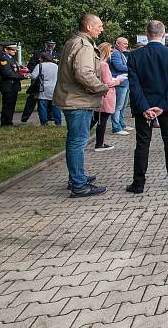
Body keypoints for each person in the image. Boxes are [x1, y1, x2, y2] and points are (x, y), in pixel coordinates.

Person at [125, 20, 168, 194]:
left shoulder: (135, 56)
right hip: (166, 106)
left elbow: (134, 85)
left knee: (142, 143)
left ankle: (138, 183)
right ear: (164, 33)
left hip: (143, 106)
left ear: (147, 33)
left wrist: (145, 107)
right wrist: (162, 106)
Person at [54, 14, 110, 197]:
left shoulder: (74, 41)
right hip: (78, 100)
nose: (101, 29)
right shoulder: (84, 45)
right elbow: (84, 73)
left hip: (73, 98)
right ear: (88, 26)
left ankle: (76, 177)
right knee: (77, 142)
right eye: (99, 26)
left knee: (75, 141)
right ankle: (78, 185)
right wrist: (101, 88)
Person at [90, 42, 126, 151]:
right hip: (106, 95)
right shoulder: (104, 65)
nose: (111, 53)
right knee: (102, 120)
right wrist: (118, 81)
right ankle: (99, 143)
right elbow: (107, 83)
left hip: (99, 95)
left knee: (95, 119)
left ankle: (84, 139)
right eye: (110, 51)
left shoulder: (96, 63)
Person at [21, 40, 59, 123]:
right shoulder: (38, 54)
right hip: (38, 82)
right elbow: (30, 65)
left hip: (51, 83)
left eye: (52, 45)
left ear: (55, 45)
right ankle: (25, 116)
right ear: (45, 45)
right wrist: (38, 72)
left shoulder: (57, 55)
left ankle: (49, 117)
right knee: (32, 100)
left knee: (47, 103)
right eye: (49, 45)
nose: (50, 46)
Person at [0, 42, 26, 126]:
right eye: (12, 49)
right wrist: (22, 77)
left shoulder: (10, 58)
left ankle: (9, 122)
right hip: (8, 85)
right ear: (6, 49)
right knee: (7, 105)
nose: (15, 51)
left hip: (13, 86)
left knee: (11, 105)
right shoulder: (3, 59)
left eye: (15, 50)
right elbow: (7, 73)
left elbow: (15, 71)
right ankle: (5, 123)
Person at [29, 52, 62, 125]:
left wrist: (28, 74)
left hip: (43, 88)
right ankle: (58, 121)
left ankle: (44, 122)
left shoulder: (40, 65)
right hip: (54, 88)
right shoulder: (55, 66)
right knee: (55, 106)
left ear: (42, 58)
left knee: (42, 106)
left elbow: (33, 76)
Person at [109, 37, 132, 135]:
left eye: (127, 44)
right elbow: (118, 66)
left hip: (125, 83)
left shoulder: (120, 53)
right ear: (118, 44)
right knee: (118, 106)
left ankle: (122, 124)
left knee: (122, 106)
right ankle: (116, 127)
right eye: (124, 44)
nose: (126, 45)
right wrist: (131, 68)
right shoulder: (115, 53)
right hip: (120, 84)